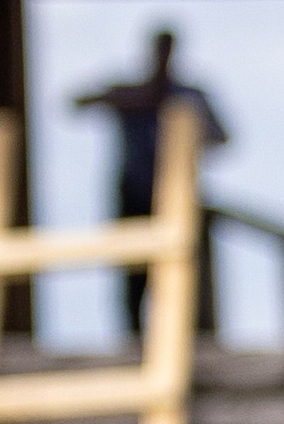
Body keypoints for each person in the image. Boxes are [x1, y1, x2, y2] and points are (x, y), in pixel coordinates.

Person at [76, 29, 230, 333]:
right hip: (134, 196)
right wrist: (129, 99)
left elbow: (220, 137)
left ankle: (187, 339)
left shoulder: (189, 97)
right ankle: (134, 340)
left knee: (181, 273)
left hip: (180, 199)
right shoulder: (131, 92)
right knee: (135, 275)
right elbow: (78, 103)